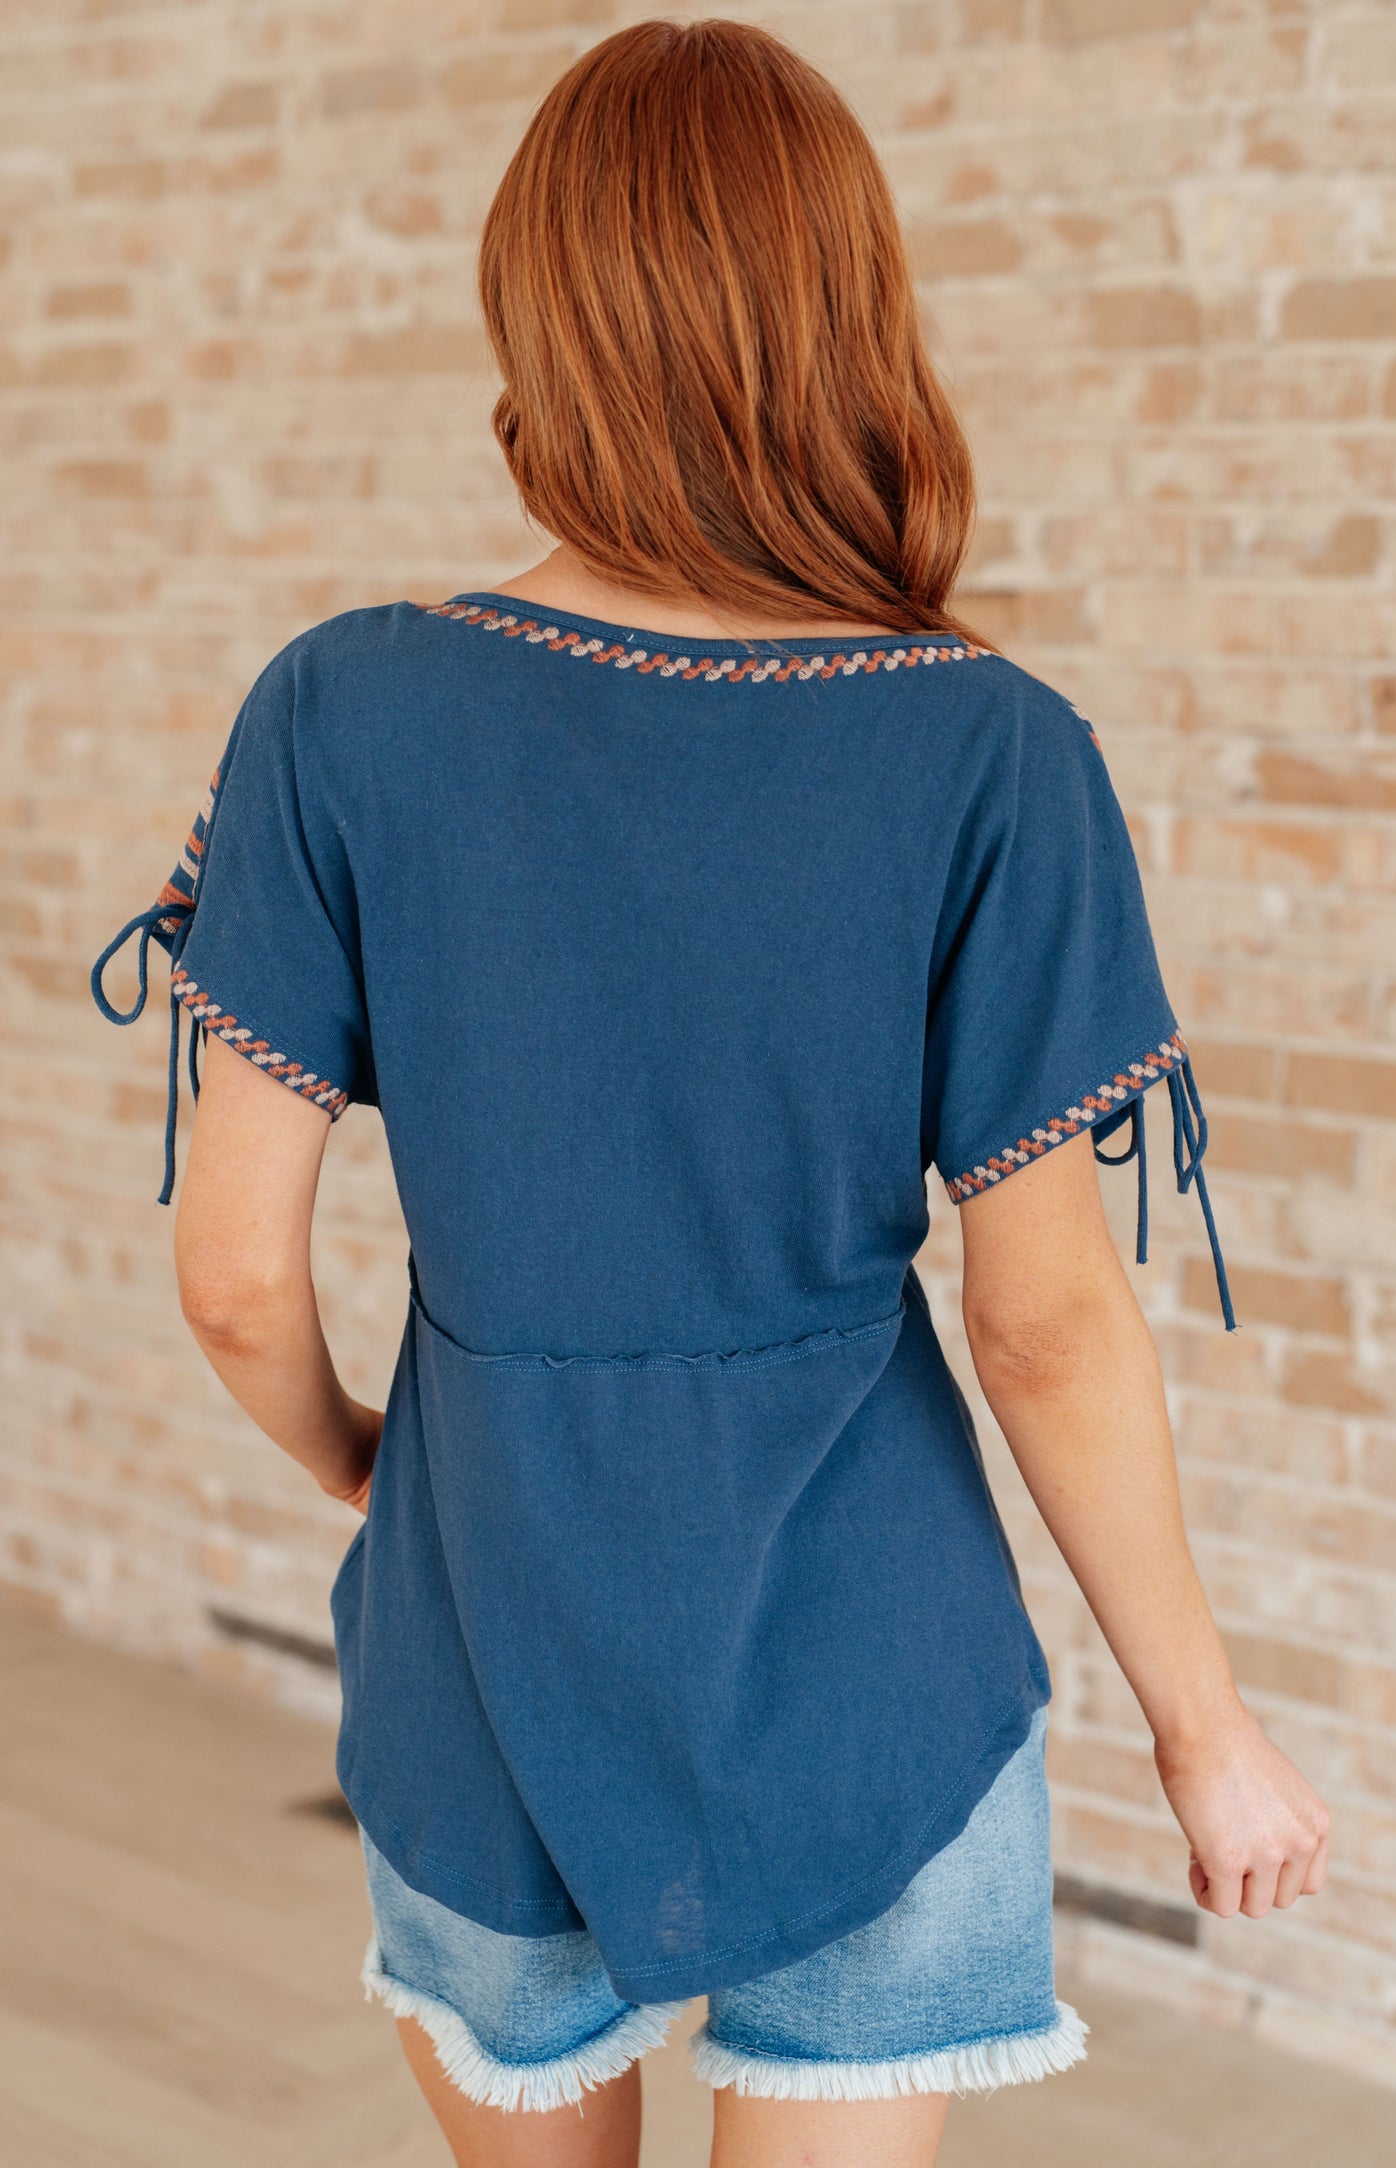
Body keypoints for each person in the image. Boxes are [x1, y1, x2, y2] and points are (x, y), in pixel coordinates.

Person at [90, 19, 1330, 2168]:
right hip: (870, 1669)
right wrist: (1203, 1728)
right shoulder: (990, 748)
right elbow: (1044, 1325)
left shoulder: (336, 711)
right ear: (851, 316)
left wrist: (380, 1467)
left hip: (486, 1635)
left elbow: (230, 1279)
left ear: (536, 316)